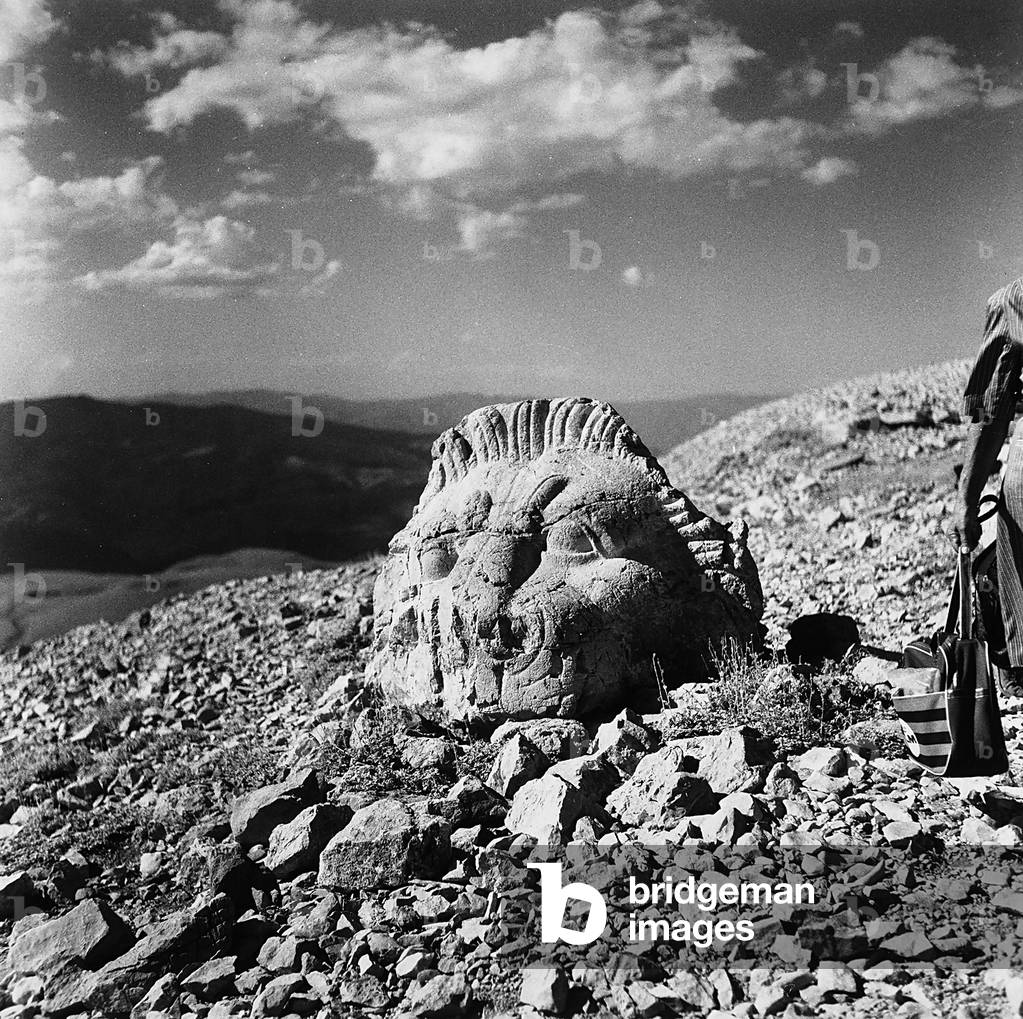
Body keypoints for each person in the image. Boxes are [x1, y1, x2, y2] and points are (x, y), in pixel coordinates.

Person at [952, 277, 1023, 692]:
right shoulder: (1014, 303)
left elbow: (991, 410)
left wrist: (967, 498)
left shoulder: (1014, 301)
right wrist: (967, 499)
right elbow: (991, 407)